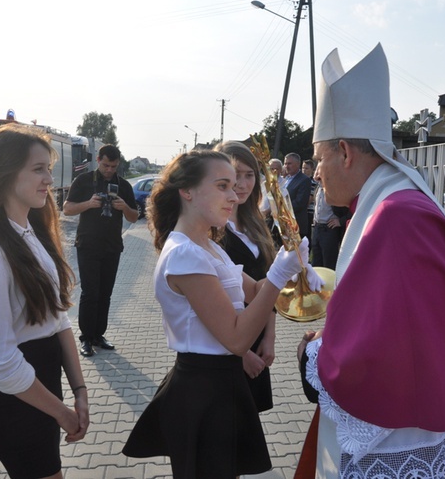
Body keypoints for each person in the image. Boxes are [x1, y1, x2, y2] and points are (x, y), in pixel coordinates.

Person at [295, 44, 445, 479]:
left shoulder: (394, 216)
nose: (316, 172)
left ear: (345, 152)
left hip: (410, 436)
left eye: (319, 159)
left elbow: (385, 354)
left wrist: (314, 354)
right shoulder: (390, 202)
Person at [122, 149, 312, 478]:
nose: (234, 195)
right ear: (188, 191)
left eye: (234, 184)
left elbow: (254, 292)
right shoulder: (185, 255)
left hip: (221, 384)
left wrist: (296, 273)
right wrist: (279, 276)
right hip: (203, 388)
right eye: (223, 185)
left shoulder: (208, 246)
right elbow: (237, 339)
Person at [0, 123, 89, 478]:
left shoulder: (30, 234)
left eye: (48, 167)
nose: (48, 178)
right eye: (38, 168)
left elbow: (58, 320)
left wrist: (80, 391)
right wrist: (61, 411)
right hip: (15, 400)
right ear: (7, 174)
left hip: (40, 387)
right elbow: (0, 361)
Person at [214, 140, 278, 412]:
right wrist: (240, 354)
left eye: (249, 174)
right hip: (225, 345)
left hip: (257, 337)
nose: (241, 183)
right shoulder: (210, 229)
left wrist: (269, 337)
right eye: (234, 174)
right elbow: (208, 302)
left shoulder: (256, 223)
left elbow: (268, 285)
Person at [63, 145, 138, 357]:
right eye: (105, 165)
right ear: (98, 160)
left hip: (112, 246)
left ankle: (98, 336)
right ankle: (86, 338)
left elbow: (134, 217)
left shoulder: (123, 186)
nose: (109, 170)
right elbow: (67, 209)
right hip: (87, 245)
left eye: (113, 166)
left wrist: (125, 208)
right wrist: (88, 204)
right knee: (90, 292)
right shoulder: (84, 181)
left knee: (105, 294)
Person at [310, 180, 348, 270]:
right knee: (315, 264)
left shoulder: (336, 189)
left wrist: (340, 221)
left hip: (329, 230)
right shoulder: (318, 187)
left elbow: (350, 210)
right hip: (317, 229)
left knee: (329, 265)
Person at [283, 152, 312, 239]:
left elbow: (300, 203)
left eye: (289, 163)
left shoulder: (304, 180)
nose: (287, 166)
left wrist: (282, 210)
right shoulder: (286, 179)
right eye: (285, 163)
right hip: (284, 224)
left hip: (295, 225)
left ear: (298, 164)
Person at [303, 159, 318, 244]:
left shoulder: (313, 182)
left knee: (307, 235)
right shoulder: (301, 180)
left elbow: (310, 198)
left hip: (309, 212)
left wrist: (303, 207)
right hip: (302, 212)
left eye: (307, 168)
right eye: (303, 168)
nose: (304, 170)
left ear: (312, 170)